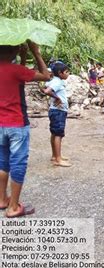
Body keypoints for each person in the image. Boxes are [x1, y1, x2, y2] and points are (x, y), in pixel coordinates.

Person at [0, 41, 50, 218]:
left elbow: (16, 80)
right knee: (18, 162)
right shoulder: (16, 71)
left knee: (3, 161)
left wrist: (21, 57)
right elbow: (46, 76)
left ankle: (2, 199)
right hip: (17, 124)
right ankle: (13, 207)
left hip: (0, 125)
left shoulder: (11, 70)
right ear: (13, 50)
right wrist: (36, 53)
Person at [42, 62, 72, 167]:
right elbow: (47, 91)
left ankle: (55, 155)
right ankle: (58, 159)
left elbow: (44, 88)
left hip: (55, 110)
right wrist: (57, 98)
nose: (68, 74)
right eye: (67, 72)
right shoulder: (58, 82)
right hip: (58, 111)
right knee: (58, 134)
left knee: (54, 133)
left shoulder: (54, 80)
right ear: (60, 73)